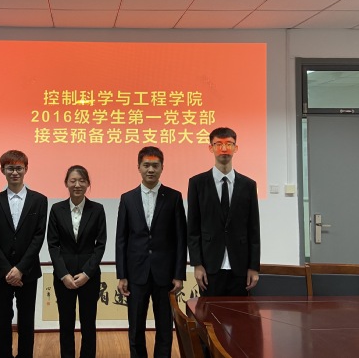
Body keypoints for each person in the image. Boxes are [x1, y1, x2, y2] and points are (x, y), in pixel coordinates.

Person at [115, 146, 187, 358]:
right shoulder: (127, 198)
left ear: (162, 167)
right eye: (146, 165)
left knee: (164, 327)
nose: (151, 170)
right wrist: (122, 275)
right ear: (138, 167)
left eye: (155, 165)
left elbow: (180, 239)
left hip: (165, 274)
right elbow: (121, 239)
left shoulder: (174, 197)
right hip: (136, 274)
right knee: (136, 327)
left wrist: (179, 274)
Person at [0, 150, 48, 358]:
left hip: (27, 272)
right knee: (2, 320)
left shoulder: (39, 200)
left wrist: (20, 269)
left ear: (26, 169)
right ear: (2, 170)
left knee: (26, 320)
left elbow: (38, 237)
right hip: (0, 273)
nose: (14, 172)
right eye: (10, 168)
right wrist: (7, 270)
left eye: (19, 168)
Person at [187, 127, 261, 296]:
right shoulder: (197, 183)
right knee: (209, 312)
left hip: (240, 267)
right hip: (209, 267)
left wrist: (254, 267)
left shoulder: (248, 185)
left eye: (229, 144)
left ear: (236, 148)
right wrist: (197, 264)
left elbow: (253, 229)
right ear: (210, 148)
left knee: (239, 312)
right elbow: (193, 228)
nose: (224, 148)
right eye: (218, 144)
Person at [47, 165, 107, 358]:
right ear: (66, 183)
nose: (77, 185)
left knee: (88, 323)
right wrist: (63, 274)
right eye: (73, 181)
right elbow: (53, 245)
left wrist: (87, 273)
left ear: (88, 183)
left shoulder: (97, 209)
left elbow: (100, 245)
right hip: (63, 276)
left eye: (82, 181)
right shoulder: (57, 209)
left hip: (89, 276)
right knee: (66, 323)